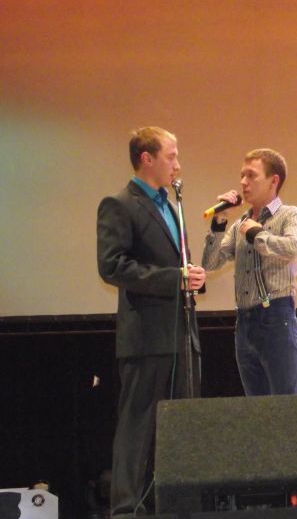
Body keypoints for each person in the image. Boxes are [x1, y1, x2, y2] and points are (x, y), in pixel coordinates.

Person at [97, 127, 206, 517]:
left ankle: (176, 505)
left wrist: (192, 277)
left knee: (182, 428)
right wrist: (173, 279)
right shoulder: (120, 204)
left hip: (181, 334)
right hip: (146, 337)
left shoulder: (171, 205)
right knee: (138, 427)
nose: (177, 164)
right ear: (147, 158)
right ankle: (127, 510)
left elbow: (175, 264)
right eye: (171, 156)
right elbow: (112, 266)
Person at [202, 148, 297, 396]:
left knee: (286, 404)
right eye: (242, 176)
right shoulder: (240, 224)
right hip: (244, 321)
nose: (243, 182)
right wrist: (219, 222)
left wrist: (257, 234)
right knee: (255, 408)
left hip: (276, 316)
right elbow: (210, 264)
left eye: (251, 175)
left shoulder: (289, 215)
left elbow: (292, 248)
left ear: (273, 180)